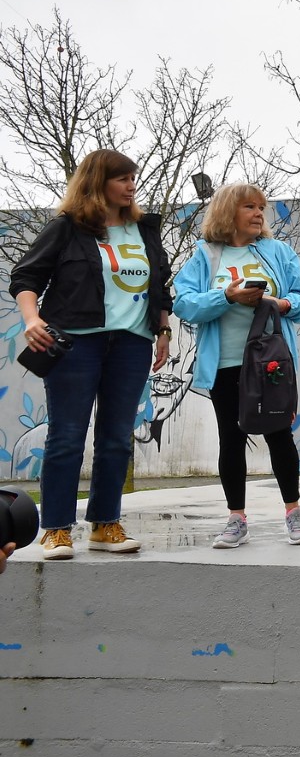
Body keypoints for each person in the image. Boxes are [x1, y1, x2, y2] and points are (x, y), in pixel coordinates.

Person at [11, 149, 173, 560]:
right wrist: (32, 318)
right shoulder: (67, 228)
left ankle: (105, 524)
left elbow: (160, 284)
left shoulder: (145, 230)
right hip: (76, 342)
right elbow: (27, 276)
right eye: (122, 178)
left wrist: (163, 330)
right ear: (97, 182)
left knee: (117, 438)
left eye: (133, 178)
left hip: (132, 343)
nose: (131, 185)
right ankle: (56, 529)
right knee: (67, 436)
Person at [173, 184, 300, 547]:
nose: (258, 214)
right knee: (231, 437)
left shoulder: (278, 251)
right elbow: (184, 304)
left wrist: (279, 304)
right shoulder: (205, 255)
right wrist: (227, 296)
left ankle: (294, 513)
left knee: (279, 434)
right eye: (249, 206)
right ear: (227, 211)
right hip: (224, 363)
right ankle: (236, 519)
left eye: (261, 207)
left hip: (271, 363)